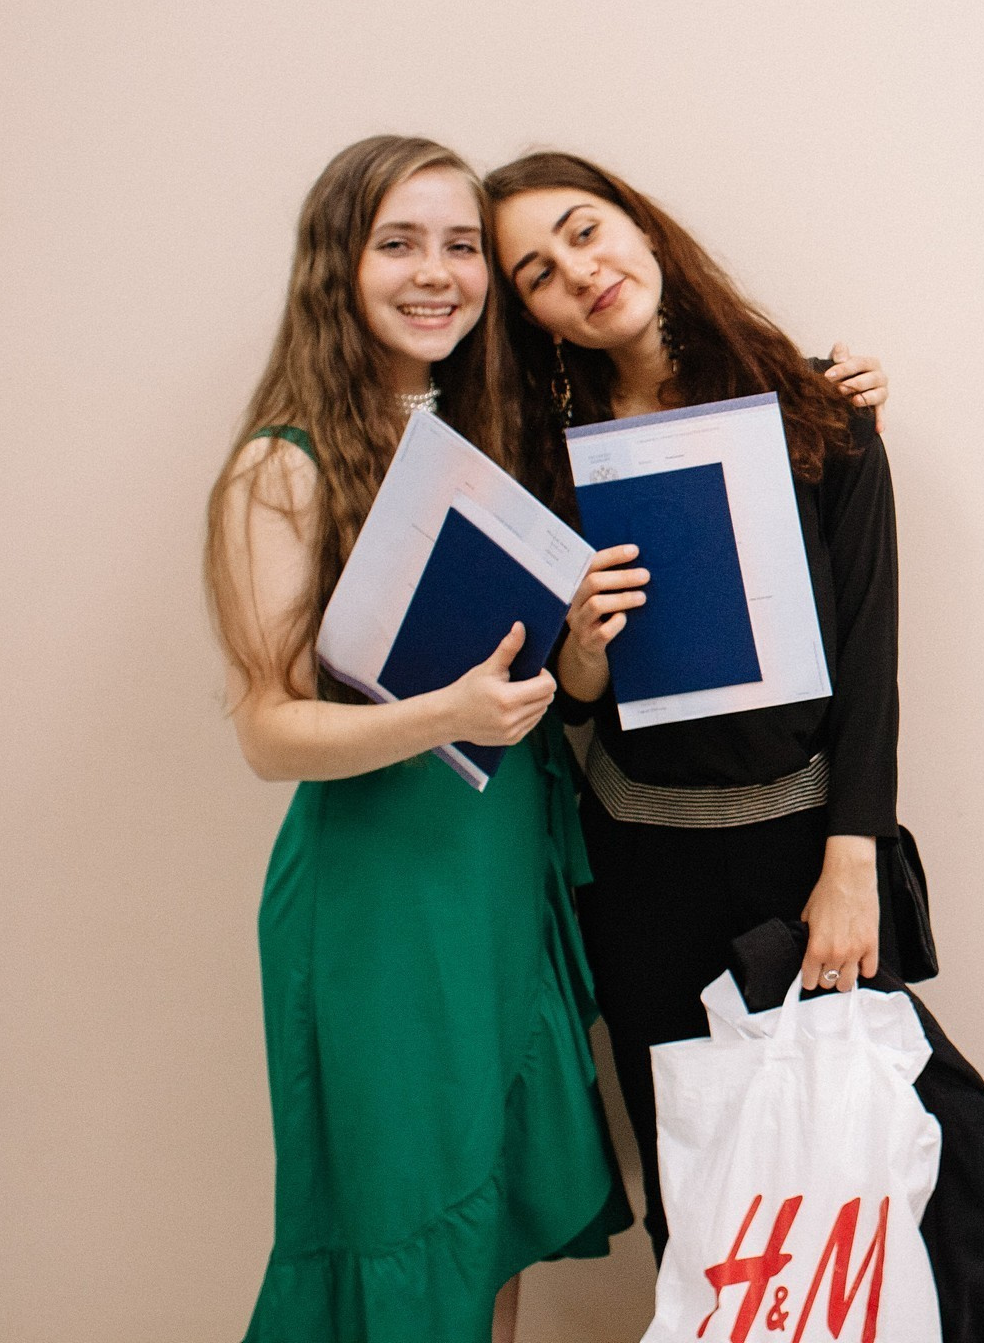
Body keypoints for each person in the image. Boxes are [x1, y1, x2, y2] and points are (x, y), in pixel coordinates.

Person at [206, 136, 630, 1343]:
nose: (437, 273)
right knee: (407, 1224)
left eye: (460, 246)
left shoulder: (488, 433)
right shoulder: (281, 468)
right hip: (384, 904)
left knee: (487, 1213)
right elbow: (267, 731)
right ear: (337, 264)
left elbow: (651, 353)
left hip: (496, 879)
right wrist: (446, 715)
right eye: (399, 244)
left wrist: (830, 384)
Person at [485, 151, 904, 1256]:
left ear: (641, 225)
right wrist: (581, 650)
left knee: (848, 1195)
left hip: (804, 859)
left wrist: (853, 861)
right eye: (537, 272)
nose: (578, 272)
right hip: (640, 872)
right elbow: (571, 708)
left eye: (584, 231)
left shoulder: (819, 405)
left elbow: (871, 656)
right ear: (532, 318)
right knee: (699, 1199)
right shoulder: (543, 463)